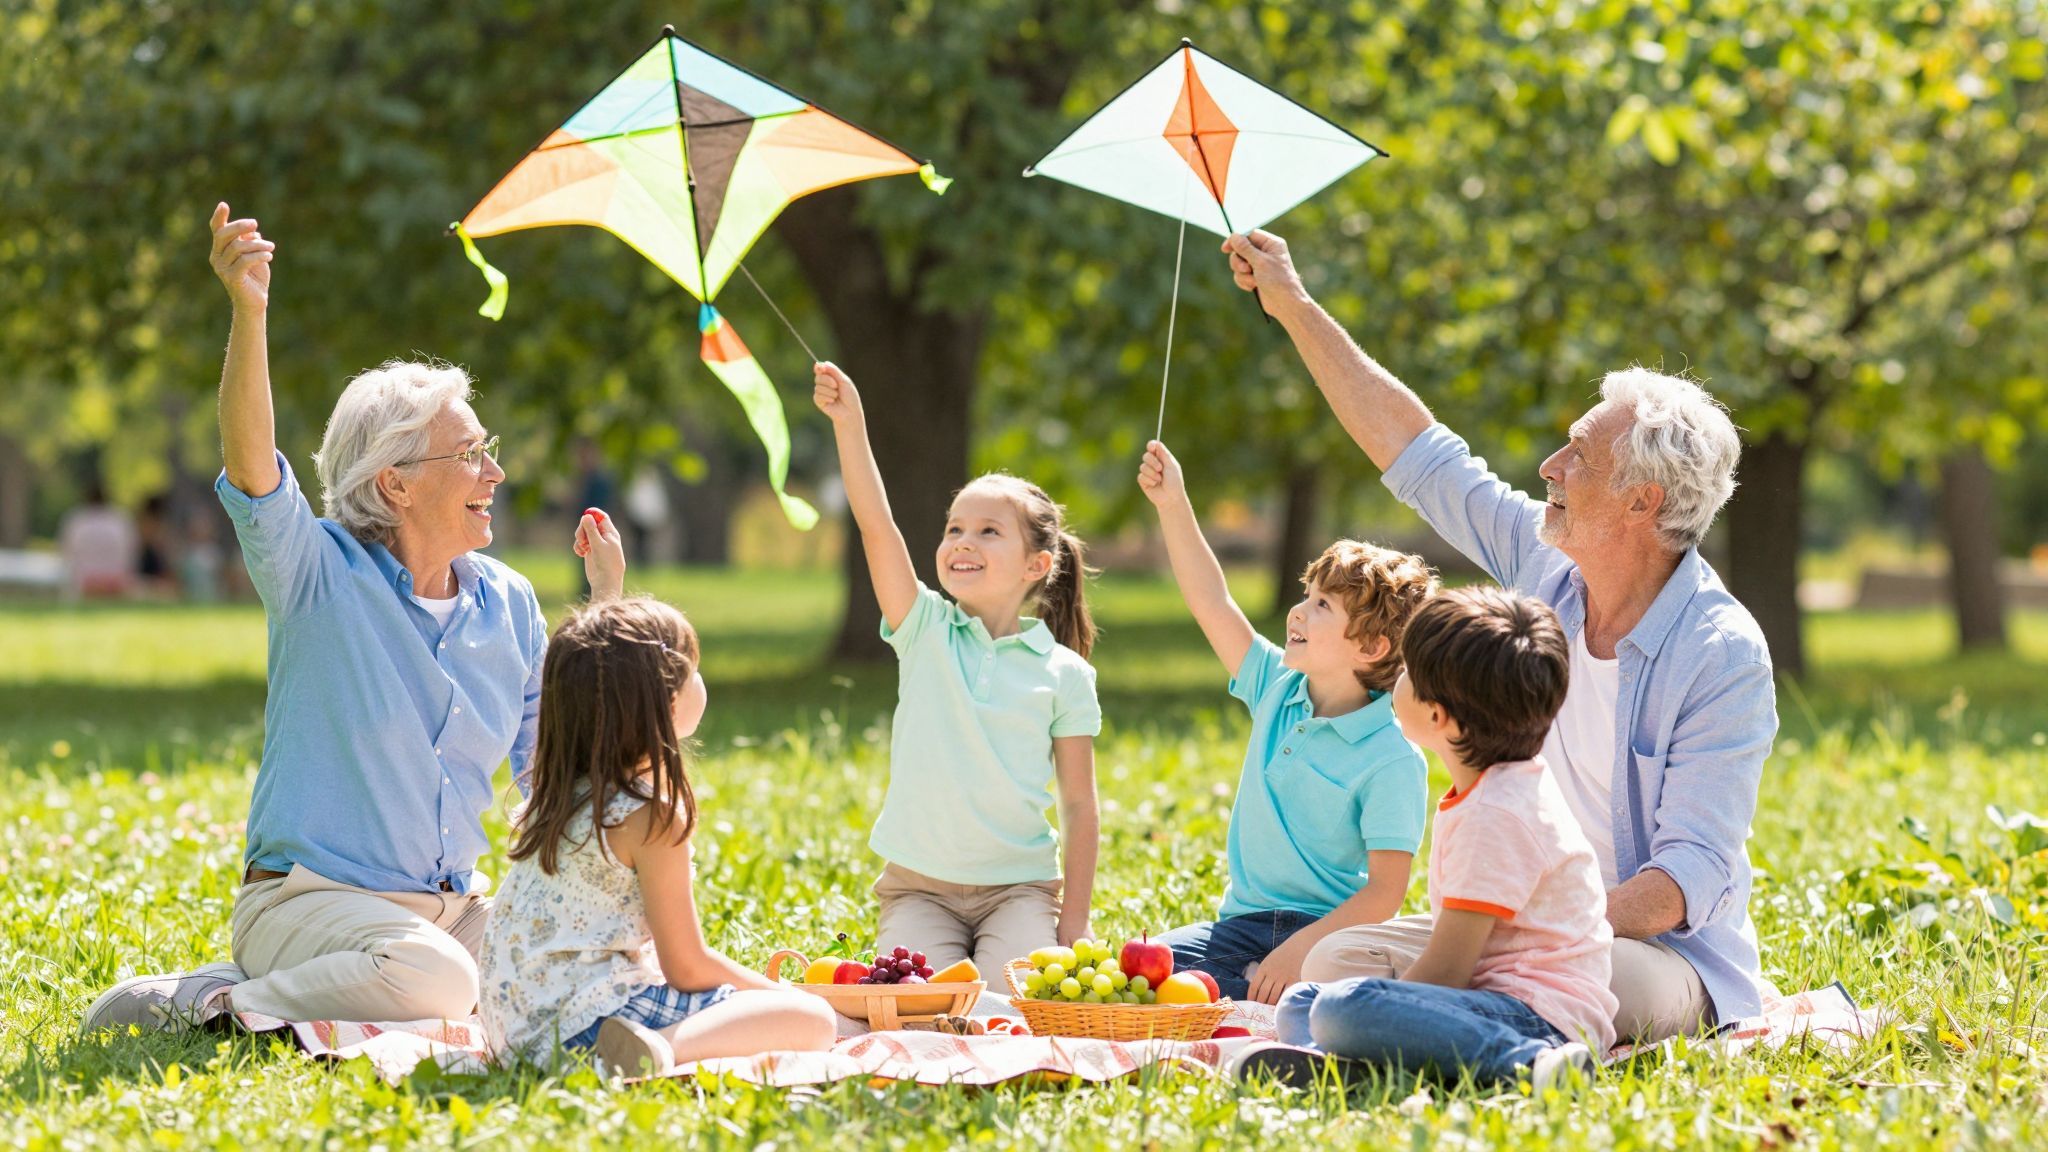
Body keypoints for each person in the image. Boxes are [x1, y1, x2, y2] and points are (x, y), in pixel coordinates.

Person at [1222, 229, 1776, 1043]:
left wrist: (1534, 927)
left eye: (1578, 456)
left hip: (1647, 952)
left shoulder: (1720, 653)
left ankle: (1459, 1036)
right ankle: (1444, 1028)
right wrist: (1294, 307)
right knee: (1333, 961)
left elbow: (1680, 885)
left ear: (1642, 501)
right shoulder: (1544, 566)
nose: (1550, 466)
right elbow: (1416, 452)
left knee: (1581, 984)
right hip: (1506, 924)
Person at [82, 203, 564, 1034]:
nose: (495, 471)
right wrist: (249, 309)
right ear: (395, 484)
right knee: (441, 984)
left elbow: (549, 775)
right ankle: (211, 1003)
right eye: (471, 454)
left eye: (489, 448)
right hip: (307, 907)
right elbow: (252, 466)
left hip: (453, 914)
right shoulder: (317, 577)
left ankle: (347, 993)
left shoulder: (510, 604)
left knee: (570, 973)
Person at [480, 525, 835, 1074]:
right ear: (665, 702)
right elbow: (687, 967)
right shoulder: (651, 817)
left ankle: (644, 1046)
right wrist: (776, 993)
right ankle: (660, 1051)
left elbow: (596, 675)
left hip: (520, 1039)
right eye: (691, 668)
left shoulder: (561, 793)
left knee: (778, 1012)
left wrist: (606, 588)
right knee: (813, 1021)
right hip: (586, 1031)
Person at [1236, 588, 1613, 1089]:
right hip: (1488, 1000)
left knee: (1344, 1008)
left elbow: (1449, 971)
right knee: (1304, 1003)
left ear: (1437, 717)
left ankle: (1530, 1065)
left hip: (1538, 1020)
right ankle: (1355, 1071)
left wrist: (1377, 1009)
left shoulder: (1496, 816)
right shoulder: (1497, 785)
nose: (1398, 677)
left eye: (1408, 671)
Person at [812, 362, 1101, 976]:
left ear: (1035, 565)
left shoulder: (1065, 673)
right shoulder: (925, 629)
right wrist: (850, 425)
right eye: (954, 528)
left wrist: (1072, 920)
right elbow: (876, 525)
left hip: (1019, 891)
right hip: (919, 890)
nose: (962, 542)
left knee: (1010, 1003)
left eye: (988, 531)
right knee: (920, 1003)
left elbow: (1080, 805)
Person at [1137, 440, 1434, 1004]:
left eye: (1323, 605)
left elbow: (1385, 894)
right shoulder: (1276, 686)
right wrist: (1172, 502)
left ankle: (1268, 992)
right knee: (1138, 975)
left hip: (1326, 937)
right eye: (1308, 595)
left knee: (1286, 991)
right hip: (1237, 926)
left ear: (1371, 645)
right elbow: (1212, 601)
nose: (1298, 611)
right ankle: (1250, 990)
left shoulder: (1394, 756)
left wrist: (1299, 952)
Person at [57, 479, 138, 599]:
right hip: (113, 582)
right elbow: (131, 553)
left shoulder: (76, 520)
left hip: (87, 582)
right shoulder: (120, 519)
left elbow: (66, 553)